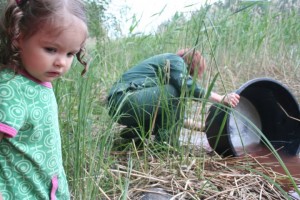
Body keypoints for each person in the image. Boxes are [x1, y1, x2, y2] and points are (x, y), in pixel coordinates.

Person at [0, 0, 88, 199]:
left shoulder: (37, 81)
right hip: (18, 192)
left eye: (70, 53)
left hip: (42, 187)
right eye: (50, 49)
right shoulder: (10, 88)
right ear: (18, 37)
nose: (61, 62)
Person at [107, 49, 240, 145]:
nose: (193, 78)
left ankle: (138, 130)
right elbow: (186, 86)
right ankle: (166, 144)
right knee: (176, 92)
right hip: (125, 98)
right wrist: (221, 98)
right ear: (192, 66)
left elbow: (177, 117)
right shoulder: (175, 60)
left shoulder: (165, 82)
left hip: (119, 107)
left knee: (171, 100)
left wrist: (206, 128)